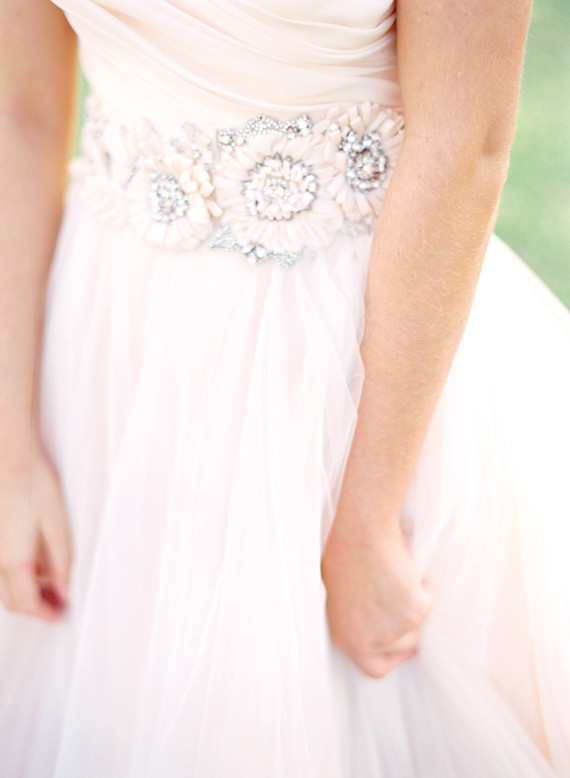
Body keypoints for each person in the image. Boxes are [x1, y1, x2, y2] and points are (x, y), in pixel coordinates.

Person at [1, 0, 569, 775]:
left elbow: (466, 148)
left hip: (350, 362)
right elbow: (21, 115)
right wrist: (12, 446)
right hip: (102, 344)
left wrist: (367, 517)